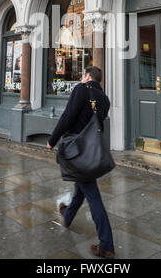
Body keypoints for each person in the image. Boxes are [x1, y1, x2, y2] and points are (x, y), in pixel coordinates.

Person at [47, 66, 115, 259]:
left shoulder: (80, 89)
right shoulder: (105, 99)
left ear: (87, 76)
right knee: (82, 186)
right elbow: (97, 124)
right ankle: (67, 215)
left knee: (92, 194)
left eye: (83, 76)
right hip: (91, 150)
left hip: (77, 150)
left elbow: (68, 117)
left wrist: (52, 139)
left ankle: (107, 245)